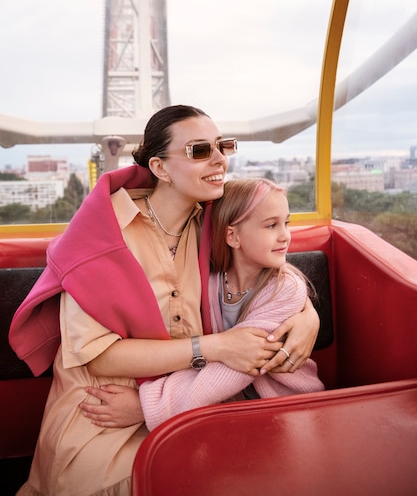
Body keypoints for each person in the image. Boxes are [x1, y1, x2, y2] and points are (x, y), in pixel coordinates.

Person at [9, 105, 319, 496]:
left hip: (189, 399)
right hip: (104, 406)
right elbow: (99, 355)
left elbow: (266, 267)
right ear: (159, 168)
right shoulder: (101, 236)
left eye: (222, 146)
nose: (221, 159)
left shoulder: (212, 221)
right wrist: (216, 346)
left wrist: (307, 315)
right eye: (200, 151)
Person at [81, 178, 324, 434]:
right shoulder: (208, 279)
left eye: (286, 223)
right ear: (232, 235)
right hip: (229, 408)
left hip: (287, 408)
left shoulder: (284, 289)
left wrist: (145, 406)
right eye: (271, 225)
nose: (285, 235)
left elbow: (236, 366)